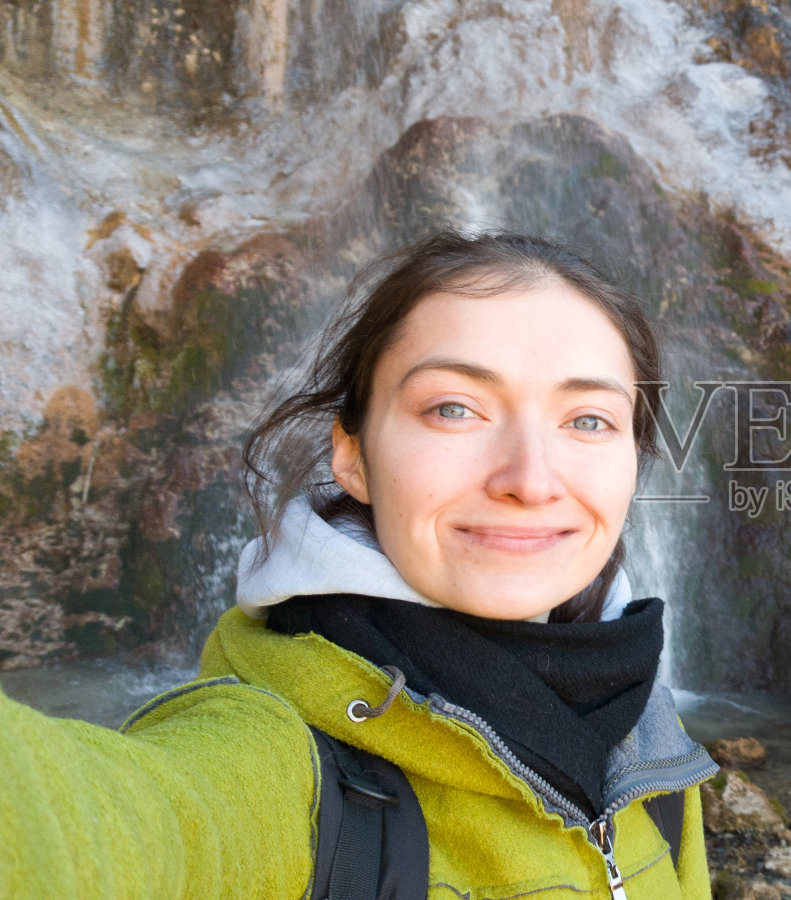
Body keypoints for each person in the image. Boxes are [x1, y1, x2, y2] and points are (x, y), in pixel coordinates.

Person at [0, 230, 718, 899]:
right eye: (454, 409)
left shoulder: (642, 721)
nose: (530, 479)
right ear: (353, 456)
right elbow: (102, 819)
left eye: (588, 420)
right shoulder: (277, 765)